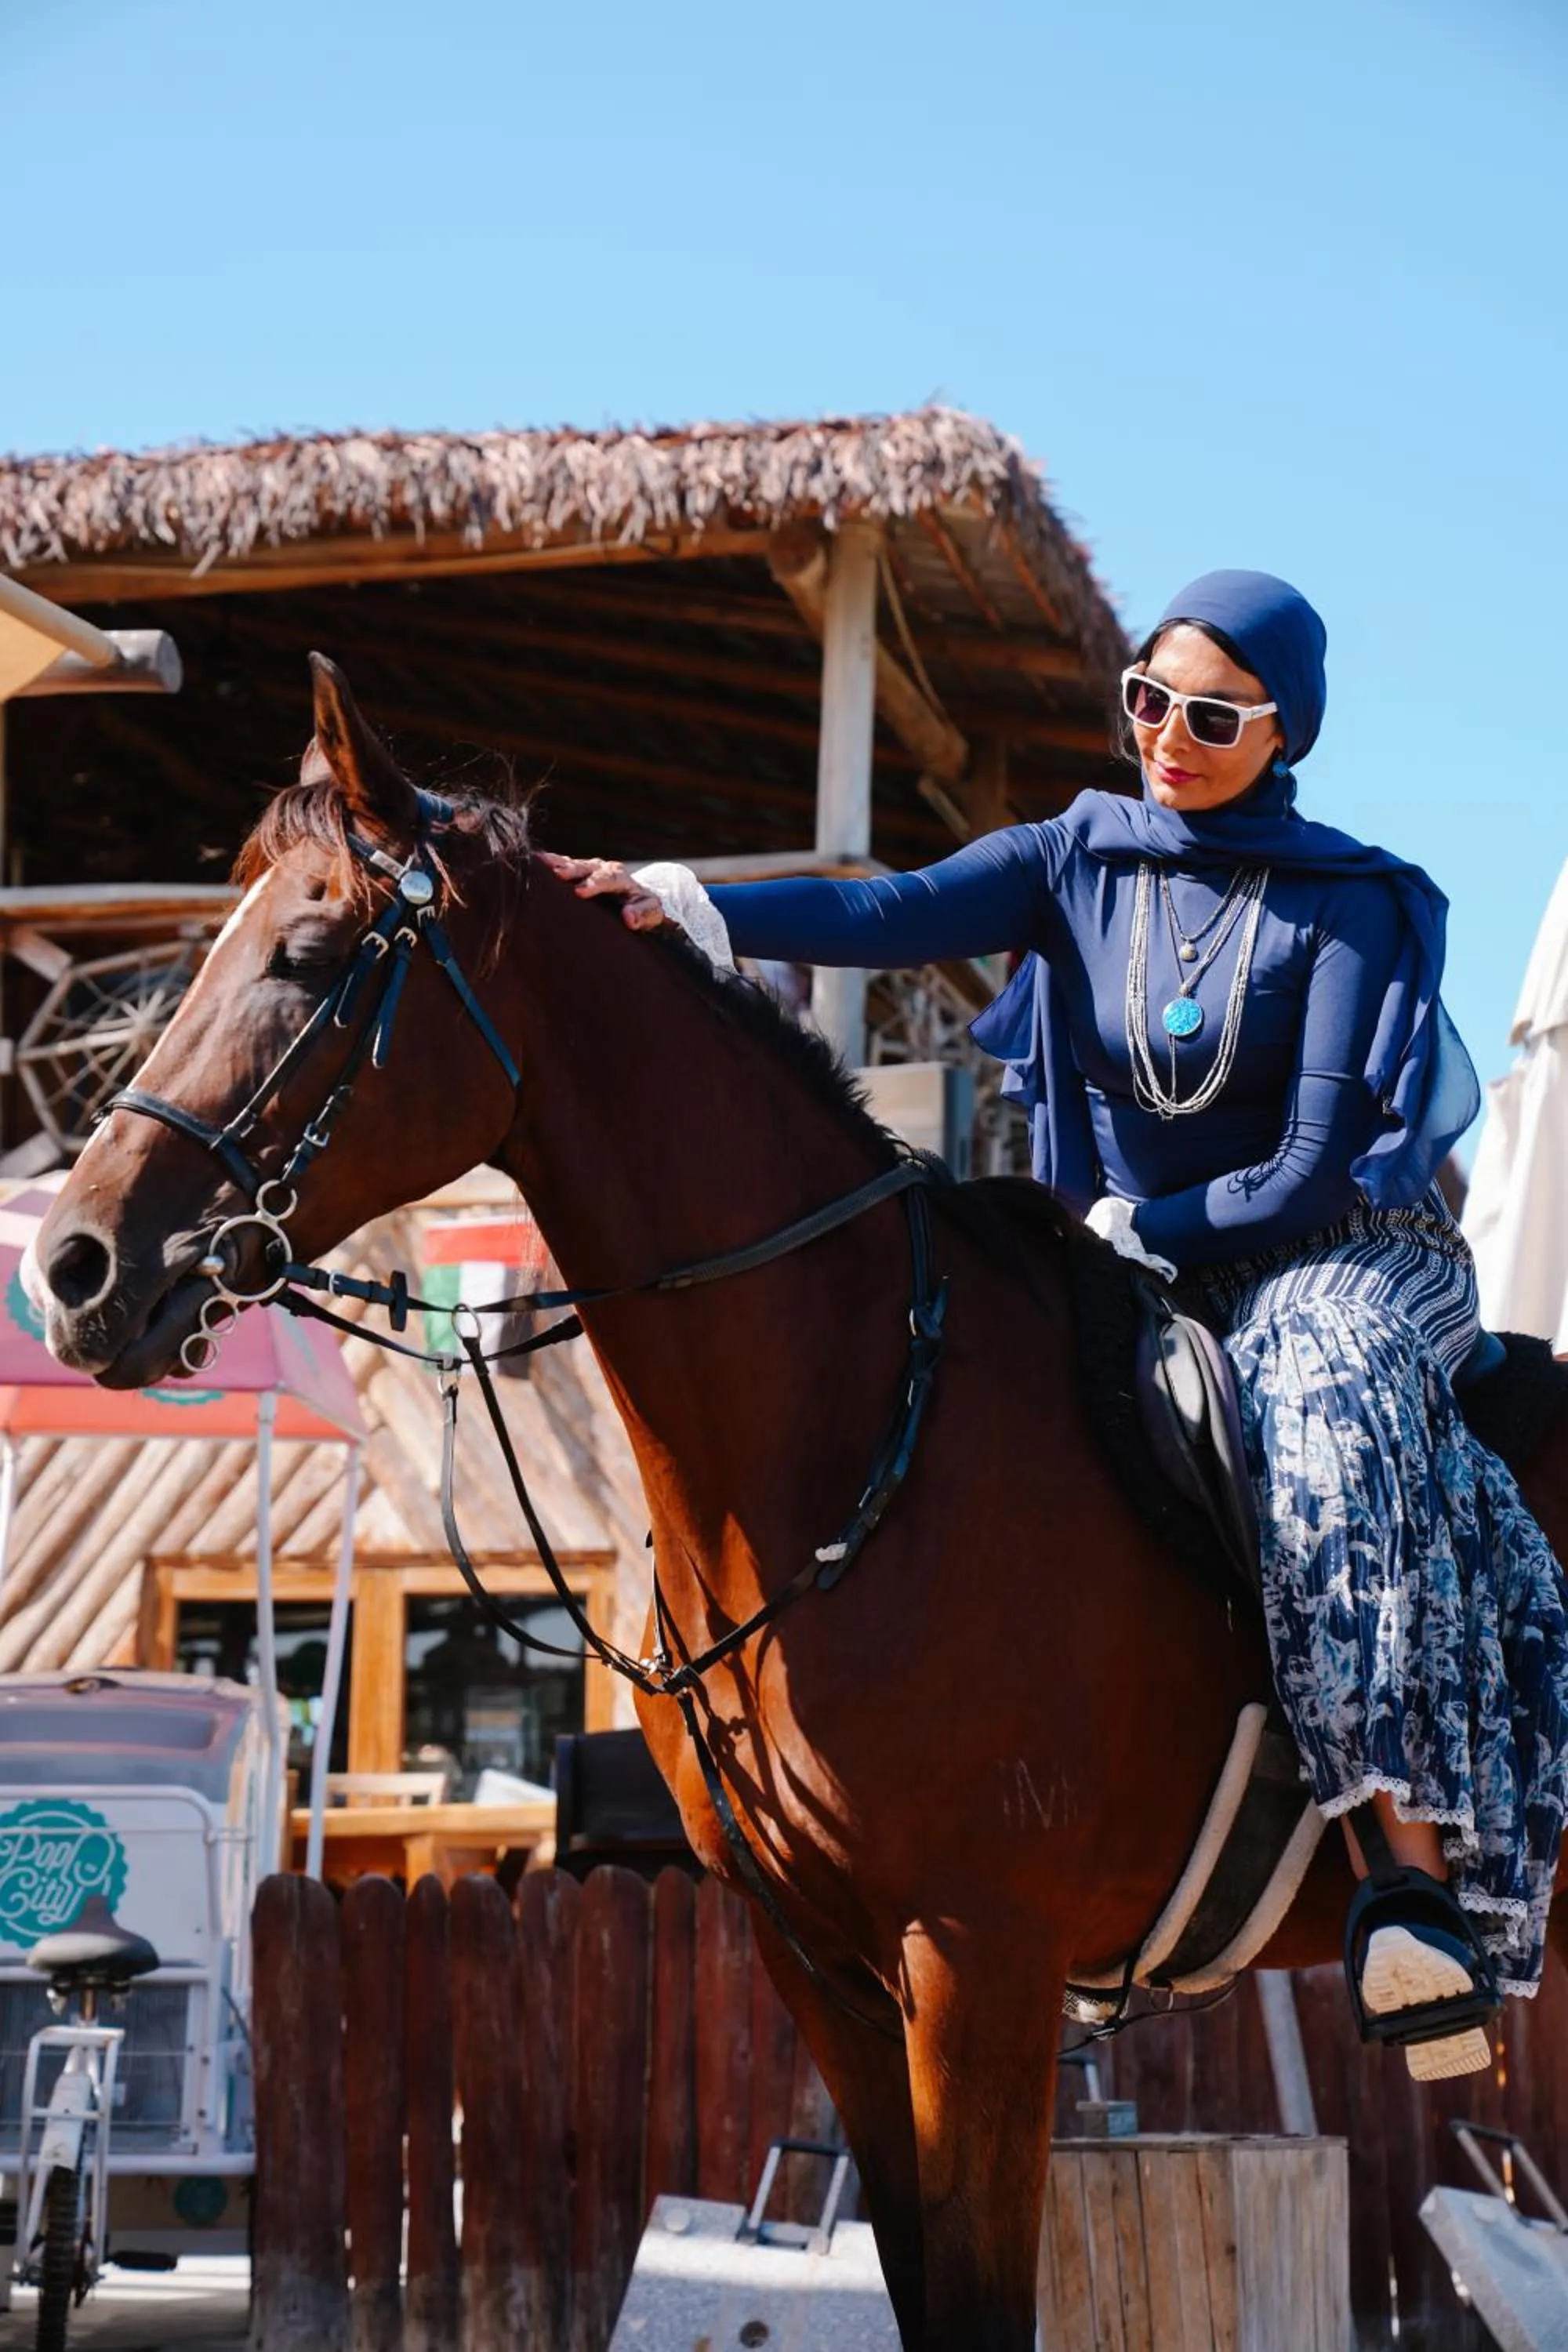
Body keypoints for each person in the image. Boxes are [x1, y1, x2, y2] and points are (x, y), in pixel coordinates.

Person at [540, 568, 1568, 2079]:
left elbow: (1306, 1172)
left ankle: (1407, 1886)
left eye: (1211, 717)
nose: (1167, 737)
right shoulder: (1076, 852)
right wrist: (692, 903)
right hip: (1138, 1257)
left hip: (1341, 1257)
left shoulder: (1353, 902)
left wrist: (1146, 1228)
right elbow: (891, 909)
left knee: (1322, 1395)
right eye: (1148, 699)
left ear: (1285, 734)